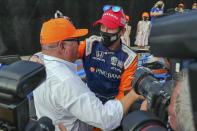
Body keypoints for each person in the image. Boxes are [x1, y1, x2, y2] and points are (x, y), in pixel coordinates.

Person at [31, 17, 143, 131]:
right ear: (62, 46)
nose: (80, 44)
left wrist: (34, 56)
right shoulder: (66, 81)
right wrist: (134, 94)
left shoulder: (37, 66)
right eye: (77, 40)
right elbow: (105, 119)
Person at [78, 5, 138, 104]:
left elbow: (124, 92)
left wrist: (110, 111)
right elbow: (67, 55)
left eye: (110, 28)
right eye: (102, 26)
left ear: (122, 31)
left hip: (112, 102)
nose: (105, 31)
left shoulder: (129, 57)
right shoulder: (91, 43)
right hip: (88, 97)